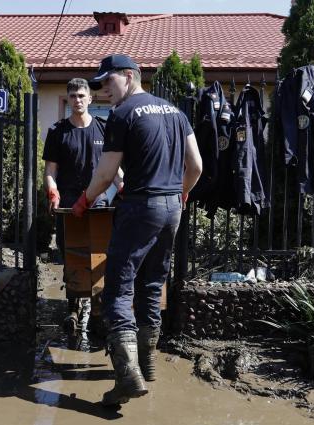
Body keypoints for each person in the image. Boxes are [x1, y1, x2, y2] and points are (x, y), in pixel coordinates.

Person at [72, 54, 202, 406]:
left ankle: (128, 375)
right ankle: (148, 365)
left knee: (118, 286)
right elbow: (197, 165)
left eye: (108, 82)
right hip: (172, 208)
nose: (103, 91)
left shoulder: (124, 114)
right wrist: (182, 192)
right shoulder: (176, 112)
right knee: (151, 283)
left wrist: (85, 201)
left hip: (140, 207)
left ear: (129, 77)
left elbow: (104, 174)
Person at [43, 78, 114, 336]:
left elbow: (113, 169)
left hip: (99, 203)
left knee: (99, 256)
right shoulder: (58, 131)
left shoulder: (103, 130)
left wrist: (124, 187)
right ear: (68, 99)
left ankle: (96, 310)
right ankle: (73, 308)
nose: (77, 100)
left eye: (82, 95)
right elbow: (50, 170)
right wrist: (53, 192)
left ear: (90, 99)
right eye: (72, 96)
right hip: (69, 205)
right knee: (72, 254)